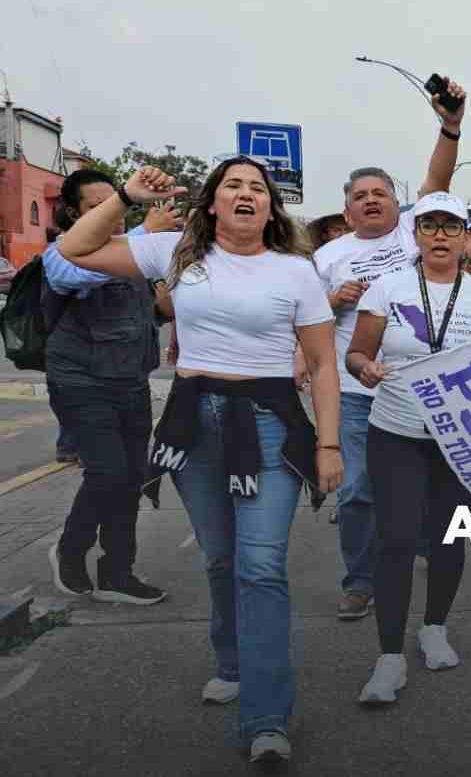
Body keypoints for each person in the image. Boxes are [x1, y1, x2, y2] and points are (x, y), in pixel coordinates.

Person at [55, 160, 344, 764]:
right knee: (220, 558)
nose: (246, 194)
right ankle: (232, 661)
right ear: (212, 203)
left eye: (257, 189)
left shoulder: (296, 271)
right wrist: (128, 200)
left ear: (270, 208)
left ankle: (266, 718)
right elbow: (76, 249)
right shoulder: (174, 254)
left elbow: (321, 365)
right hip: (193, 425)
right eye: (233, 186)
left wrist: (329, 444)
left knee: (260, 565)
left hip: (267, 427)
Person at [345, 191, 471, 704]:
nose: (440, 236)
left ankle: (434, 627)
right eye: (430, 225)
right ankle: (388, 657)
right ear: (418, 234)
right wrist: (366, 368)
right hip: (397, 433)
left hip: (460, 437)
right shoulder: (388, 287)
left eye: (451, 227)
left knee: (449, 539)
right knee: (397, 540)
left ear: (464, 236)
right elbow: (358, 352)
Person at [306, 81, 467, 610]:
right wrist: (332, 301)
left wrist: (450, 126)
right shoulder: (328, 257)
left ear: (400, 207)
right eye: (360, 197)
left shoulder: (410, 238)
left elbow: (438, 179)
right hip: (356, 395)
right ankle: (359, 582)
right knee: (357, 492)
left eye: (381, 193)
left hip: (425, 385)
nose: (371, 201)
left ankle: (420, 546)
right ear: (347, 212)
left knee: (427, 486)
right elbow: (305, 322)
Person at [42, 169, 181, 605]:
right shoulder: (61, 255)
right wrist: (142, 229)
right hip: (81, 382)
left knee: (130, 480)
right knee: (107, 473)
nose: (112, 216)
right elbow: (78, 272)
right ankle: (70, 549)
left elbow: (147, 313)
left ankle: (118, 572)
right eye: (97, 207)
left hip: (129, 381)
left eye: (115, 204)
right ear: (72, 213)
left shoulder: (136, 251)